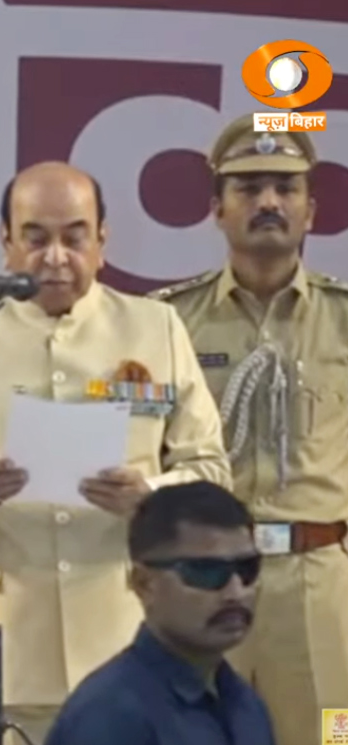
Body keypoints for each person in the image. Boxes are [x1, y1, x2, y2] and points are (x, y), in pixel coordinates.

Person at [0, 161, 232, 744]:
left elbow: (212, 473)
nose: (55, 258)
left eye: (74, 237)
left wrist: (151, 498)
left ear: (102, 242)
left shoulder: (156, 328)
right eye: (35, 237)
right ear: (5, 241)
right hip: (5, 656)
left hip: (134, 644)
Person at [148, 115, 348, 745]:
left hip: (316, 591)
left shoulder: (343, 320)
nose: (268, 202)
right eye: (249, 187)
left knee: (334, 736)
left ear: (311, 210)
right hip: (200, 584)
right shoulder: (168, 322)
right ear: (217, 209)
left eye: (285, 188)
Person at [43, 480, 275, 745]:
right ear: (144, 584)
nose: (235, 592)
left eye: (247, 569)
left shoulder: (245, 703)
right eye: (206, 572)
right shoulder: (110, 716)